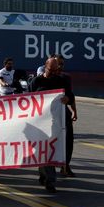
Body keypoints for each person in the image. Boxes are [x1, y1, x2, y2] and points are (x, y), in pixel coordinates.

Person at [29, 57, 73, 193]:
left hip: (59, 122)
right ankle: (44, 174)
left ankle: (50, 181)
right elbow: (28, 101)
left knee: (54, 150)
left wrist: (68, 99)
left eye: (56, 70)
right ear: (45, 67)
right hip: (41, 122)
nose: (54, 73)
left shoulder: (62, 80)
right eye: (51, 70)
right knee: (43, 151)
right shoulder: (36, 81)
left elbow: (71, 96)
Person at [54, 54, 77, 177]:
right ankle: (48, 167)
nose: (60, 66)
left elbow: (70, 95)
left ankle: (65, 165)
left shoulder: (66, 78)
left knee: (68, 140)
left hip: (64, 113)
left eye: (62, 64)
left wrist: (74, 111)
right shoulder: (43, 78)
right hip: (50, 115)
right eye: (58, 63)